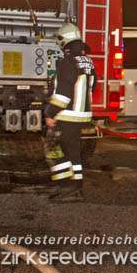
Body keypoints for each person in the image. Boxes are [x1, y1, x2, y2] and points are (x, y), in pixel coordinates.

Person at [45, 23, 97, 199]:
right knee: (72, 151)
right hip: (82, 114)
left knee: (56, 149)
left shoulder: (67, 63)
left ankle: (68, 187)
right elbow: (93, 86)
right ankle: (75, 187)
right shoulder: (87, 61)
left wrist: (50, 114)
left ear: (63, 41)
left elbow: (64, 94)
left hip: (67, 114)